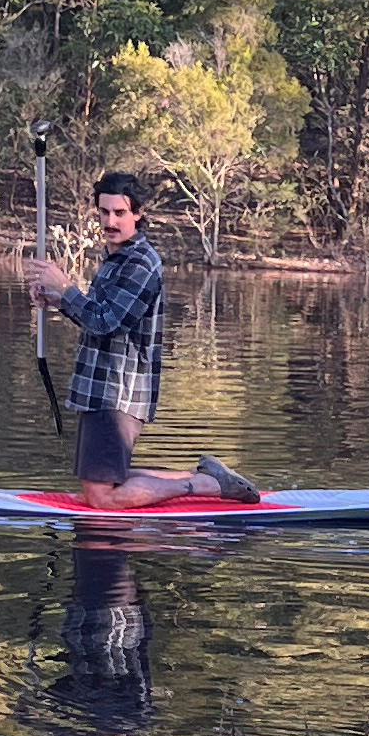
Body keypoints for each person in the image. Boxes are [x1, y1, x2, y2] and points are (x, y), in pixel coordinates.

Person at [28, 173, 261, 505]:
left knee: (101, 497)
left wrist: (66, 288)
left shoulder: (140, 262)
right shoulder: (115, 259)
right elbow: (98, 316)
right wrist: (57, 300)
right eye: (104, 212)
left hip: (117, 392)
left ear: (137, 213)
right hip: (99, 387)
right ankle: (206, 479)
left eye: (120, 213)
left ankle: (207, 486)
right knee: (100, 484)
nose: (111, 221)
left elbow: (107, 323)